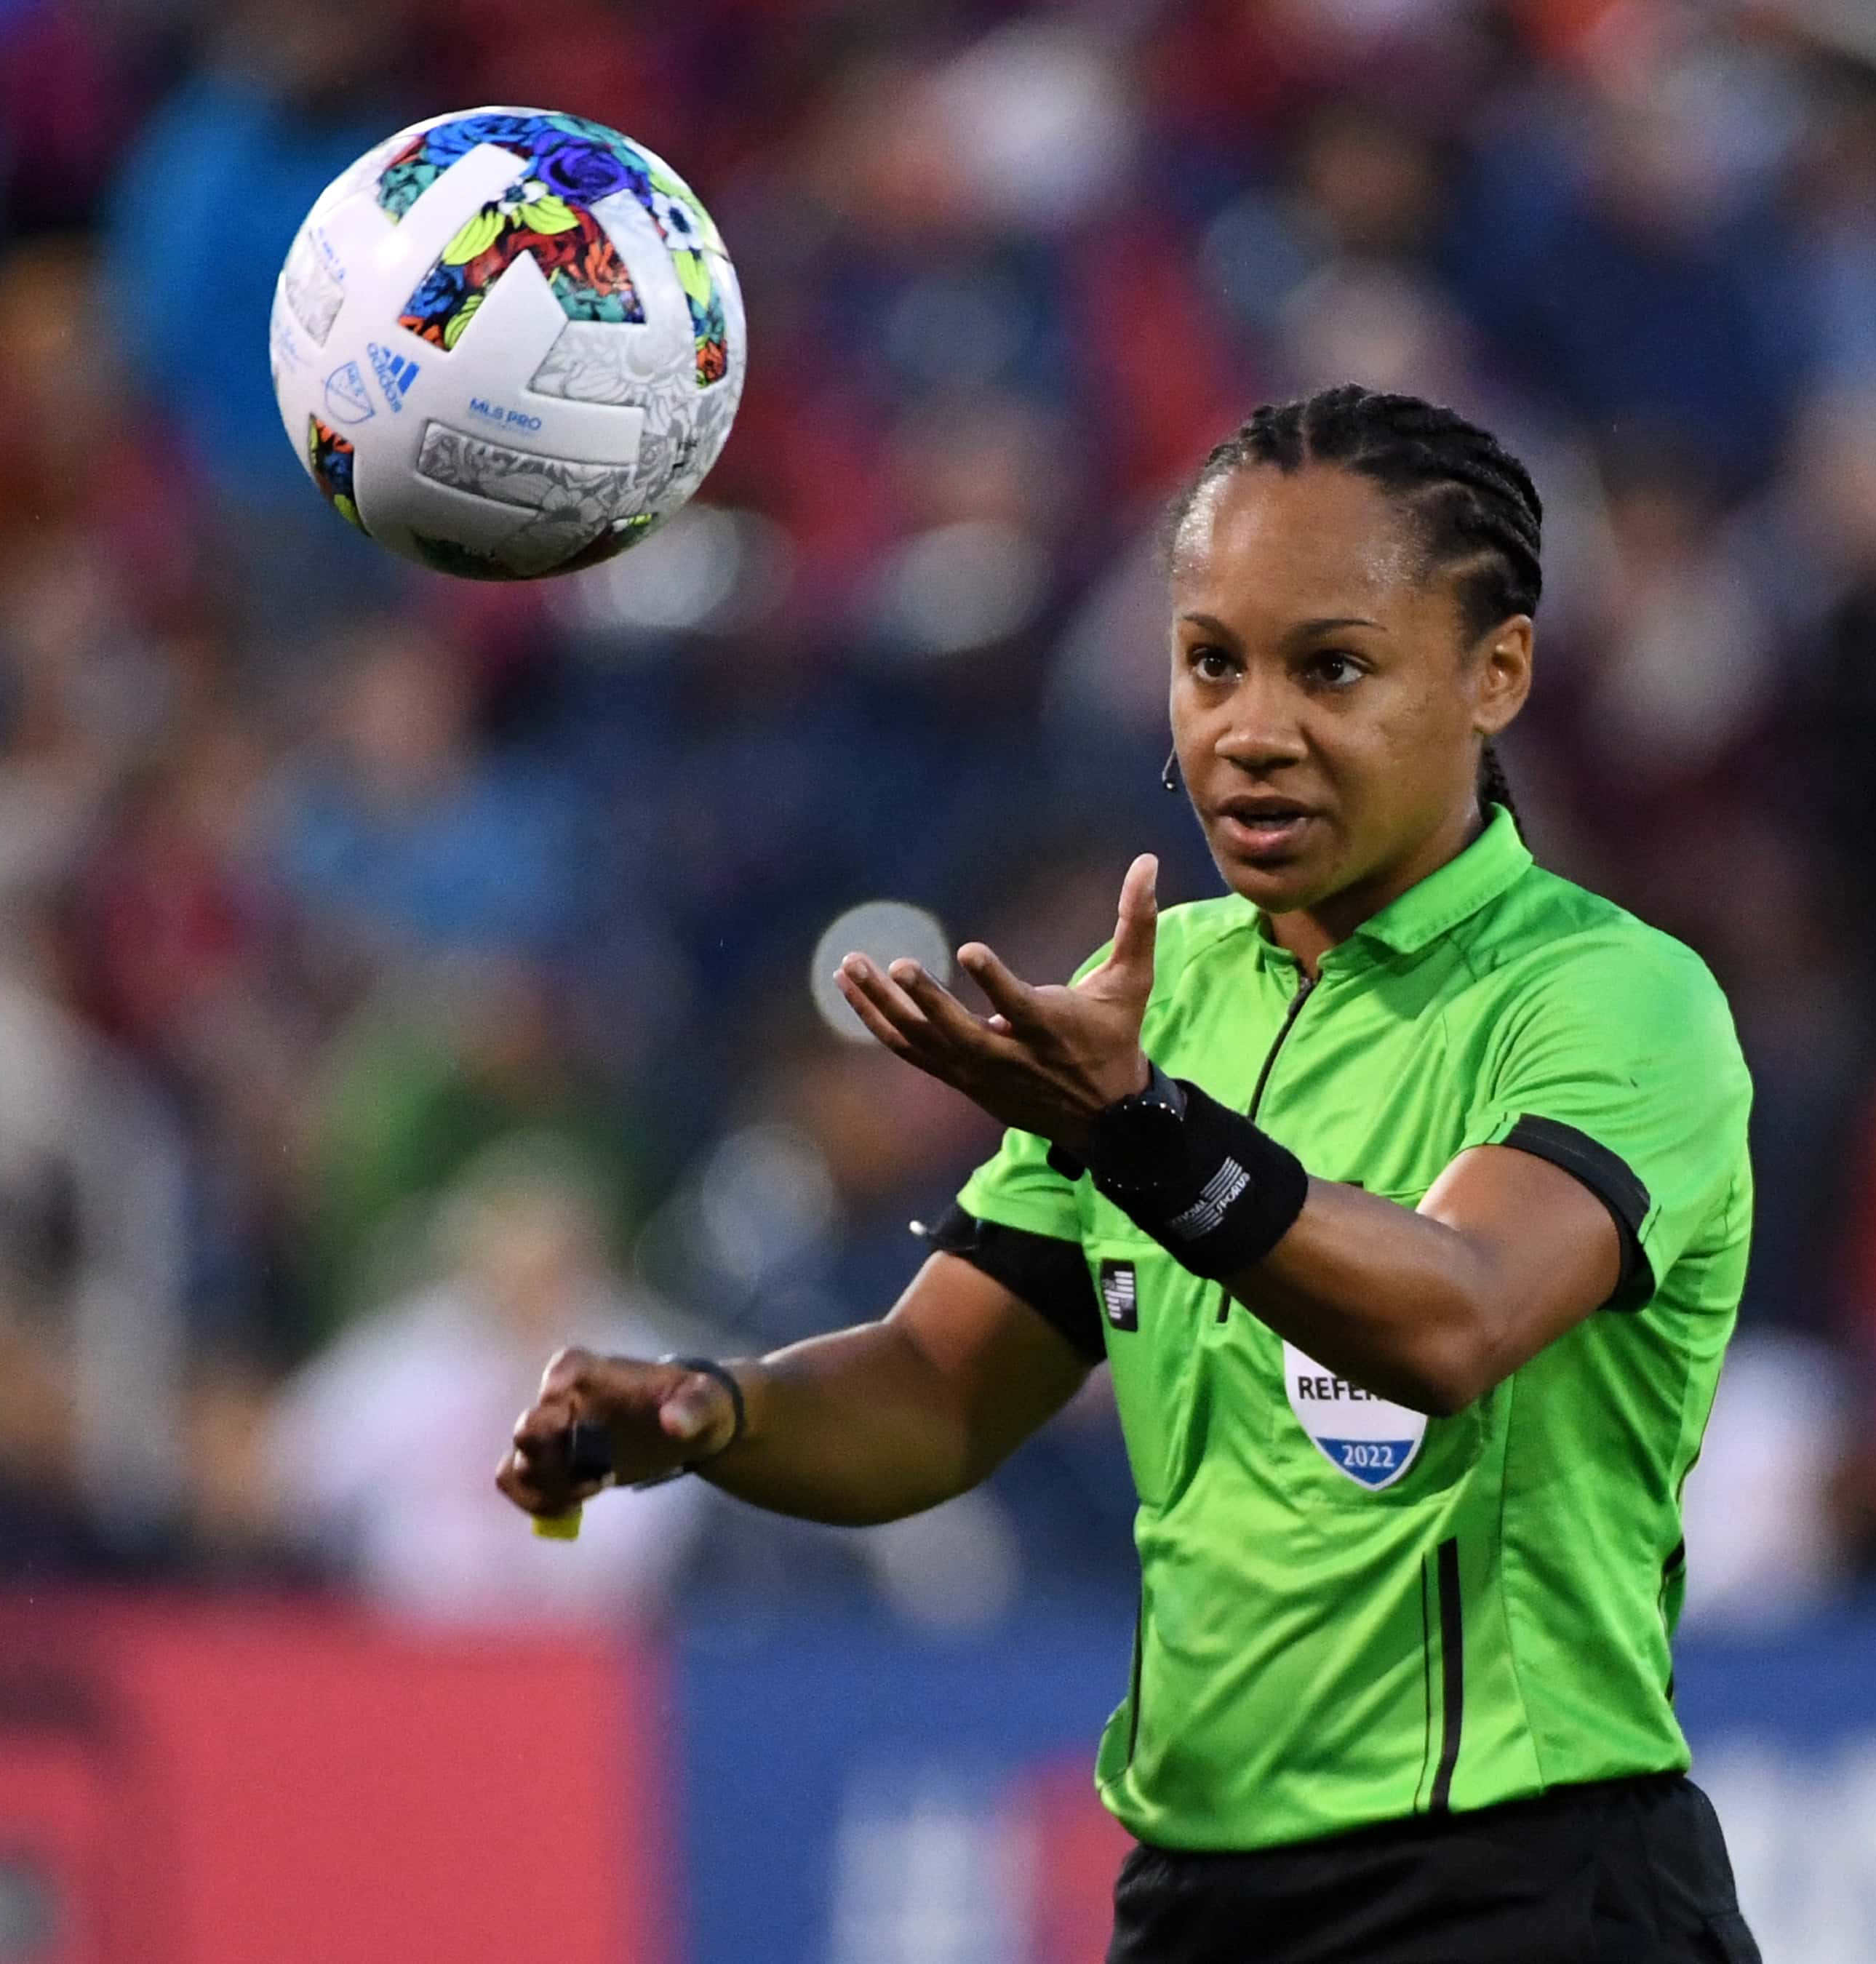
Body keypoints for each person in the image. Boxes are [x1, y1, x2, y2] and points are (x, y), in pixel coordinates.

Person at [498, 385, 1761, 1963]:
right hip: (1198, 1900)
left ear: (1495, 671)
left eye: (1334, 668)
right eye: (1210, 661)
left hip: (1523, 1897)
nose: (1251, 728)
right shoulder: (1159, 997)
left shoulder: (1607, 997)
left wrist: (1144, 1133)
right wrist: (712, 1413)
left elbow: (1454, 1323)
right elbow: (939, 1391)